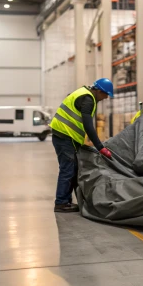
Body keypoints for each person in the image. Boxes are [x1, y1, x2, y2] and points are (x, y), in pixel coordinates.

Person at [50, 78, 114, 213]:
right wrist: (100, 147)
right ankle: (61, 203)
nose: (106, 98)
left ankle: (66, 201)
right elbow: (88, 126)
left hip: (65, 136)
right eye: (105, 94)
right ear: (98, 91)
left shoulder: (83, 93)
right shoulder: (88, 99)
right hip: (64, 136)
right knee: (67, 169)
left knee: (72, 168)